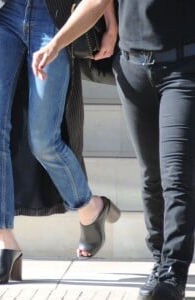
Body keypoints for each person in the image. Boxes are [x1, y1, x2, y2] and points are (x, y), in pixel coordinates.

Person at [33, 1, 195, 299]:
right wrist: (56, 44)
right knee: (152, 177)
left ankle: (173, 274)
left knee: (176, 177)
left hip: (184, 69)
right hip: (132, 69)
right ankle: (159, 262)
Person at [0, 0, 120, 285]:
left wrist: (111, 26)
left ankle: (90, 206)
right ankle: (4, 242)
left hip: (55, 19)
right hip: (2, 15)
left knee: (44, 140)